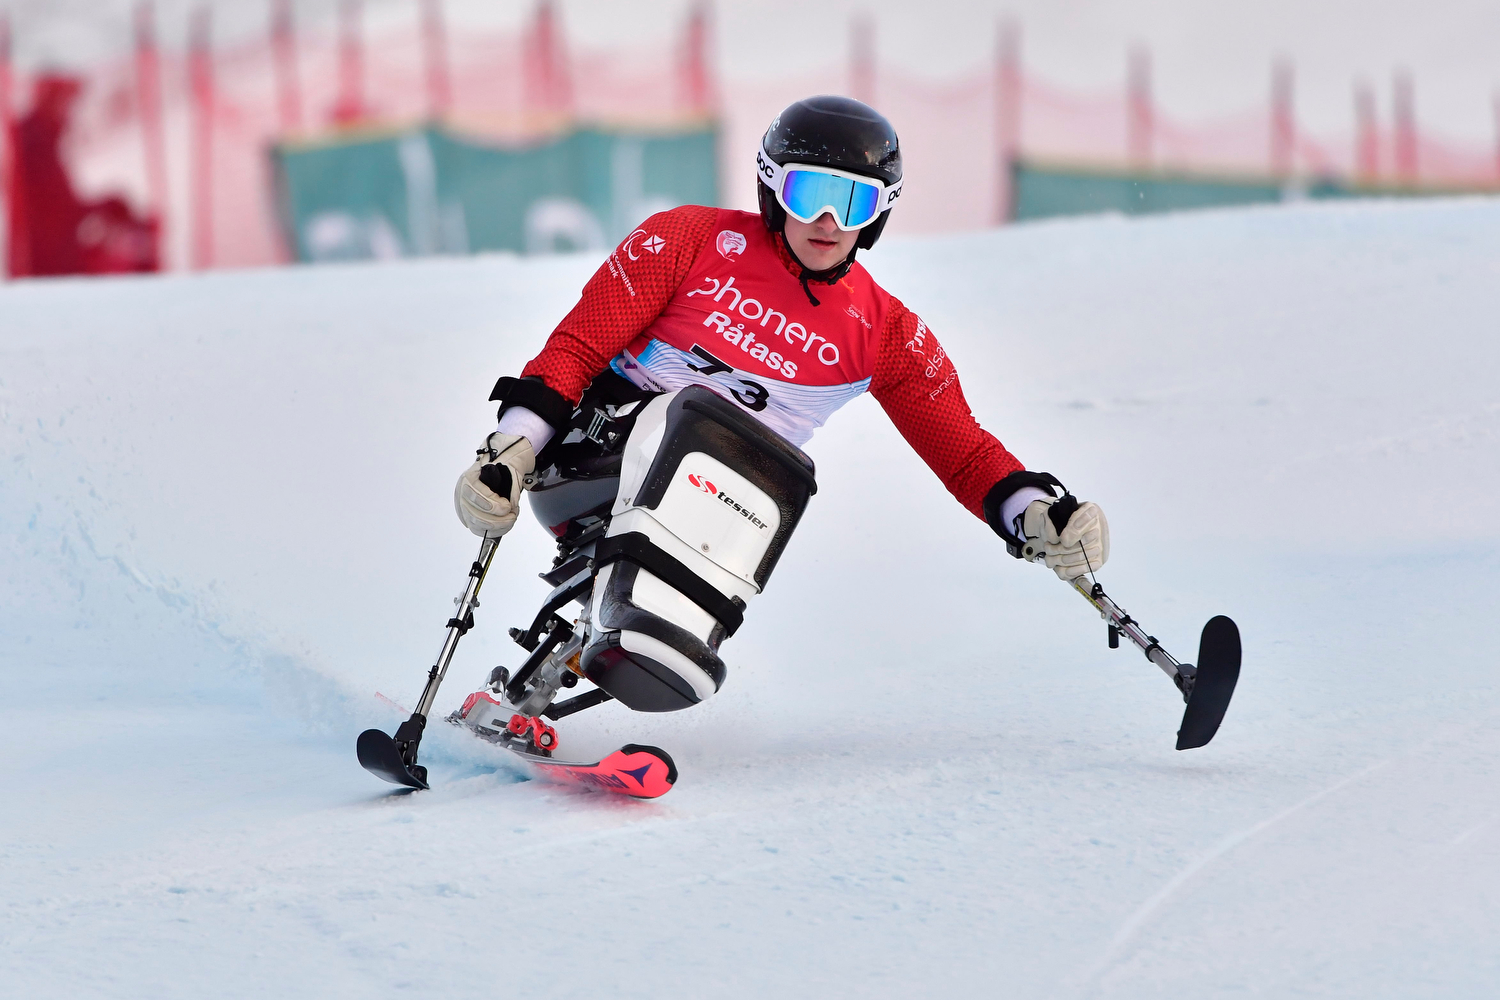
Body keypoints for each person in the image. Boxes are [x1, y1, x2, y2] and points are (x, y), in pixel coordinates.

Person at [455, 95, 1109, 680]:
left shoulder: (885, 333)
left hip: (719, 513)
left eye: (852, 202)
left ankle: (589, 660)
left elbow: (963, 453)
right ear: (772, 187)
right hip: (589, 460)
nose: (827, 221)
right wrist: (512, 450)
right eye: (809, 193)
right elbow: (575, 350)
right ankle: (602, 619)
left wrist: (1034, 514)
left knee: (778, 471)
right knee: (695, 421)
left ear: (879, 214)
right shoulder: (688, 240)